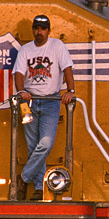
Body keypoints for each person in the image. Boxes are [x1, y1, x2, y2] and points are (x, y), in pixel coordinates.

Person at [12, 14, 76, 198]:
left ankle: (24, 178)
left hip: (51, 101)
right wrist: (21, 91)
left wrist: (70, 90)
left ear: (49, 30)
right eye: (36, 29)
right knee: (33, 145)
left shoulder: (57, 46)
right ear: (33, 30)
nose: (39, 32)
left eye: (43, 29)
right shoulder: (25, 50)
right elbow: (18, 73)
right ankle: (39, 188)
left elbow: (67, 68)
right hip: (28, 102)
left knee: (45, 144)